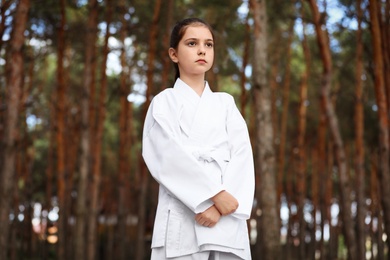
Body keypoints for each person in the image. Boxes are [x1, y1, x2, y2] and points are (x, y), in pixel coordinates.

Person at [142, 17, 255, 260]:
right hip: (184, 213)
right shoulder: (164, 102)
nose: (202, 50)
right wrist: (210, 198)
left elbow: (242, 157)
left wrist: (222, 206)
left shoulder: (226, 103)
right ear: (174, 54)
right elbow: (165, 157)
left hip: (227, 216)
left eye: (209, 44)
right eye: (192, 43)